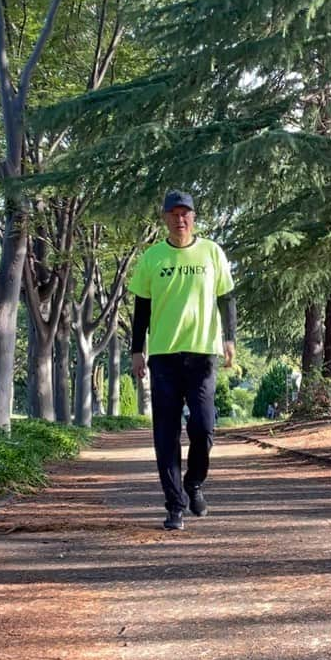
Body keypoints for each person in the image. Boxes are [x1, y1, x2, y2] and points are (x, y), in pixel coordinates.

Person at [130, 190, 236, 531]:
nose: (180, 219)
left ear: (193, 217)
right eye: (174, 213)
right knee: (165, 433)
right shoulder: (152, 257)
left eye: (185, 213)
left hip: (204, 352)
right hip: (163, 355)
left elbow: (226, 297)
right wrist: (136, 350)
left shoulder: (211, 253)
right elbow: (141, 309)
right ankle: (174, 505)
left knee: (204, 427)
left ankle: (194, 483)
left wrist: (230, 339)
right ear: (164, 217)